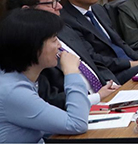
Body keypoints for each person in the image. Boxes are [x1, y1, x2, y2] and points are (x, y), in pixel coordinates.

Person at [1, 0, 119, 109]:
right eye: (50, 3)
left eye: (56, 0)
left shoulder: (64, 29)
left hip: (107, 96)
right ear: (27, 11)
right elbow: (48, 99)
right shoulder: (28, 49)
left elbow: (93, 61)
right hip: (78, 109)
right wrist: (97, 97)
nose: (59, 6)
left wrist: (112, 84)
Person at [0, 9, 90, 143]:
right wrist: (71, 72)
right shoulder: (12, 90)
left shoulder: (21, 79)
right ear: (33, 46)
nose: (59, 45)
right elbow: (77, 124)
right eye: (54, 40)